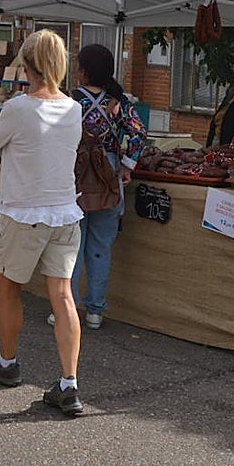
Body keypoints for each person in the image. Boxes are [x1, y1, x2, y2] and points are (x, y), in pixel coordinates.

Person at [0, 29, 86, 417]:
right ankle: (69, 383)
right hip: (64, 210)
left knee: (8, 291)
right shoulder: (73, 108)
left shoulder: (18, 107)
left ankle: (6, 362)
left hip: (23, 211)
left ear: (27, 66)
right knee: (63, 295)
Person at [61, 43, 146, 331]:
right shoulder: (118, 102)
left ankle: (67, 308)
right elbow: (138, 134)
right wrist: (126, 166)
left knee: (72, 244)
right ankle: (95, 311)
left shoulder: (70, 101)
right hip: (109, 174)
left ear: (83, 71)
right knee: (101, 246)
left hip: (76, 174)